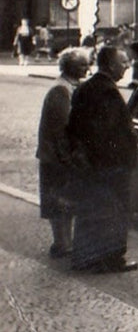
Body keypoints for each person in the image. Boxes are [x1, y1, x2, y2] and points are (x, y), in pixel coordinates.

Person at [66, 44, 138, 273]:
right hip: (110, 164)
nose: (127, 66)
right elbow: (107, 132)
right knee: (115, 211)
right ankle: (113, 258)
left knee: (90, 210)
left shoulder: (85, 88)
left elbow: (74, 127)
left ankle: (85, 257)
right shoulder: (107, 91)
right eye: (123, 62)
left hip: (91, 163)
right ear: (110, 64)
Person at [37, 48, 88, 259]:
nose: (87, 68)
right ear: (70, 67)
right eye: (83, 65)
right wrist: (68, 158)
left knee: (64, 200)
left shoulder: (69, 87)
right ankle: (61, 243)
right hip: (56, 157)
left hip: (58, 155)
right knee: (58, 201)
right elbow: (61, 127)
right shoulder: (61, 90)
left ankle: (65, 243)